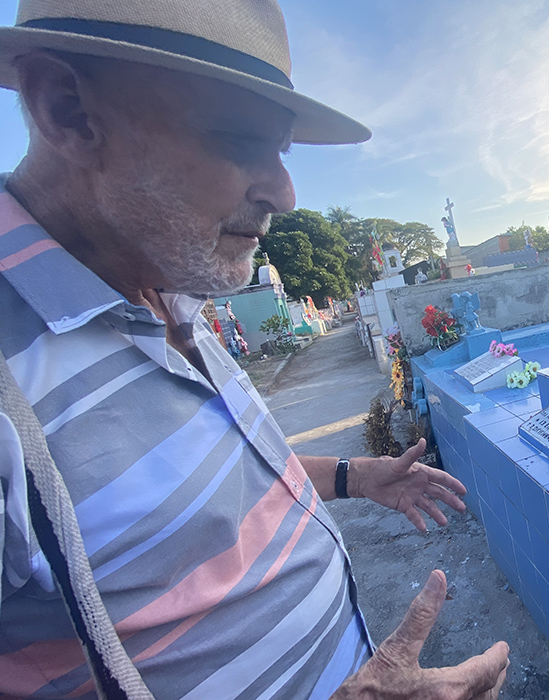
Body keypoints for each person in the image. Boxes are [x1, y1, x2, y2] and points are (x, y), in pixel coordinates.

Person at [0, 2, 508, 699]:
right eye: (240, 139)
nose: (285, 192)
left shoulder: (165, 283)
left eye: (283, 151)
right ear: (66, 110)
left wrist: (352, 477)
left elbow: (192, 478)